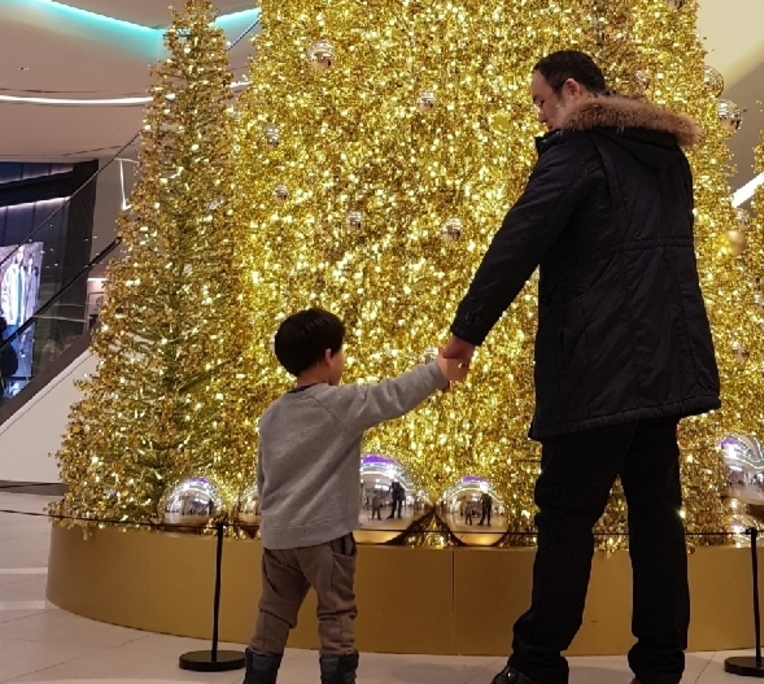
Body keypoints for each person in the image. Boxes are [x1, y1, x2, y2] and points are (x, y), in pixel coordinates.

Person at [442, 50, 720, 684]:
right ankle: (661, 666)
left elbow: (517, 243)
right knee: (657, 516)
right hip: (665, 363)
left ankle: (537, 661)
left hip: (598, 365)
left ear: (571, 90)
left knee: (566, 514)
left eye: (542, 102)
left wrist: (465, 332)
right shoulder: (665, 157)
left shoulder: (576, 153)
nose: (540, 116)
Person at [245, 307, 467, 684]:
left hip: (278, 538)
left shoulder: (272, 416)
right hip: (325, 538)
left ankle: (256, 678)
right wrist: (437, 371)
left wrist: (274, 521)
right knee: (336, 614)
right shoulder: (339, 404)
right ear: (328, 357)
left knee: (273, 613)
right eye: (342, 351)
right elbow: (392, 395)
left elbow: (263, 478)